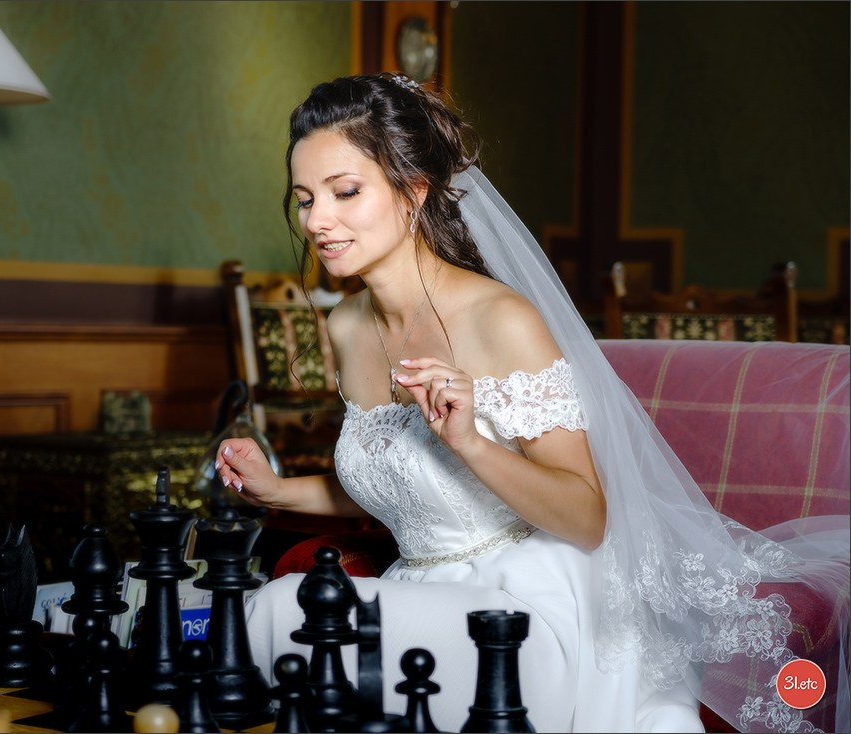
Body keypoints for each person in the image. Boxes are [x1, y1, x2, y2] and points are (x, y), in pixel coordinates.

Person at [215, 73, 849, 733]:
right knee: (270, 622)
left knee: (279, 613)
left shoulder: (500, 322)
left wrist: (470, 443)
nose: (317, 221)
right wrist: (277, 489)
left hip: (526, 616)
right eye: (305, 199)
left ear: (413, 191)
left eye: (345, 192)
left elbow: (588, 517)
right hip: (420, 600)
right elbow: (402, 486)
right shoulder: (347, 327)